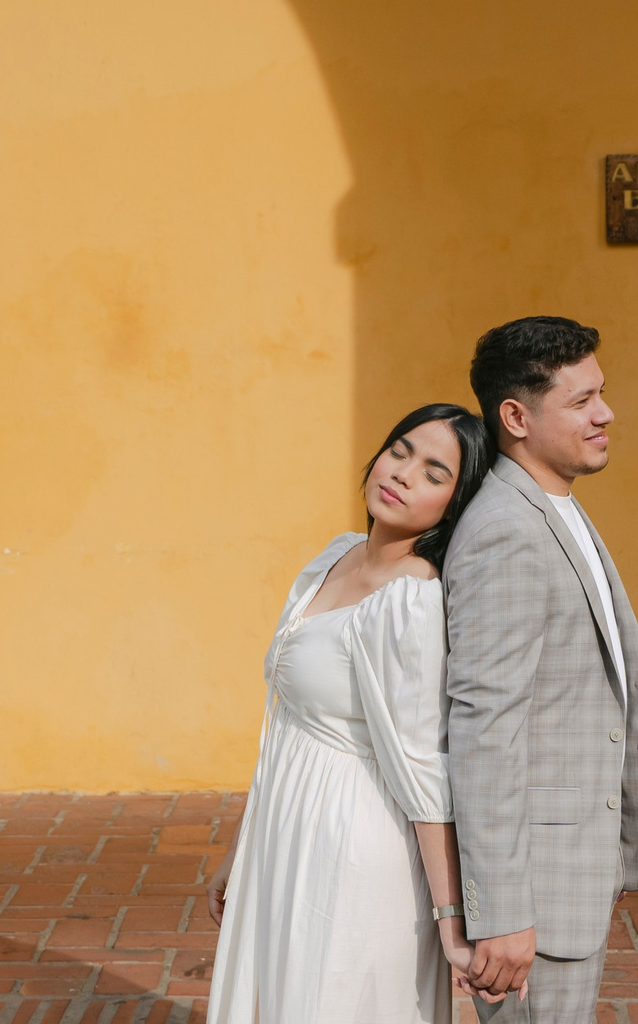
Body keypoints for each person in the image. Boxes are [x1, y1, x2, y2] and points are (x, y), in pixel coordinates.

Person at [206, 403, 495, 1022]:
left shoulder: (410, 601)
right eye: (400, 450)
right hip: (286, 826)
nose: (404, 473)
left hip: (353, 843)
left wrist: (452, 923)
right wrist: (243, 847)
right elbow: (287, 723)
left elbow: (423, 766)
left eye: (435, 473)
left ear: (455, 504)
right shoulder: (335, 557)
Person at [445, 317, 638, 1022]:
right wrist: (501, 911)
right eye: (581, 401)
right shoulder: (506, 529)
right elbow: (485, 727)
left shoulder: (553, 506)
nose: (606, 412)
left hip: (573, 868)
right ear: (516, 416)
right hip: (532, 901)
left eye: (602, 393)